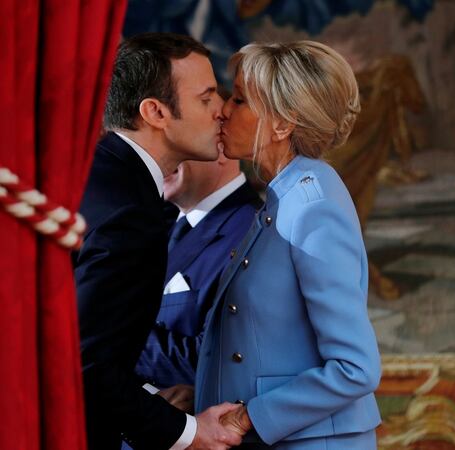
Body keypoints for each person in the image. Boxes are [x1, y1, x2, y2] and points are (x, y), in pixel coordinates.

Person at [194, 41, 382, 449]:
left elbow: (356, 368)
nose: (224, 109)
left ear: (282, 124)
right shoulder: (285, 195)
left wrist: (248, 417)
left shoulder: (311, 206)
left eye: (240, 100)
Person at [73, 32, 244, 450]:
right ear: (155, 112)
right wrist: (191, 434)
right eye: (206, 98)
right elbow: (86, 366)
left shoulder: (96, 175)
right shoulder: (129, 213)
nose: (222, 111)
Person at [135, 152, 261, 394]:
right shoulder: (153, 221)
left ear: (221, 148)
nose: (157, 157)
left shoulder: (252, 232)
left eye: (176, 144)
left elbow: (223, 360)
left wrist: (112, 336)